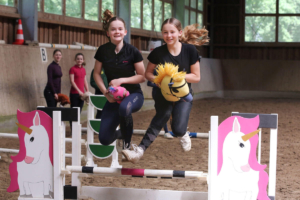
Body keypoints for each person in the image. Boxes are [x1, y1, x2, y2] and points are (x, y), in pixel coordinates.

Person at [122, 18, 209, 163]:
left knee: (178, 130)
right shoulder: (158, 52)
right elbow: (148, 74)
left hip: (183, 94)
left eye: (172, 32)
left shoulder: (190, 51)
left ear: (180, 33)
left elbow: (196, 77)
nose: (169, 36)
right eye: (165, 32)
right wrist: (159, 80)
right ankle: (139, 151)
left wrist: (176, 77)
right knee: (163, 114)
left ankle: (183, 132)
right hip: (162, 92)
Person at [93, 9, 145, 150]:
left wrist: (121, 80)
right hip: (113, 98)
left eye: (120, 29)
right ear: (108, 33)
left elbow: (142, 76)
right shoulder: (102, 50)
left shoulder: (133, 51)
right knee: (104, 139)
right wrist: (105, 93)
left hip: (134, 95)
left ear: (125, 32)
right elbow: (96, 73)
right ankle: (122, 133)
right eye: (113, 29)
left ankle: (127, 145)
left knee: (124, 107)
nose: (117, 32)